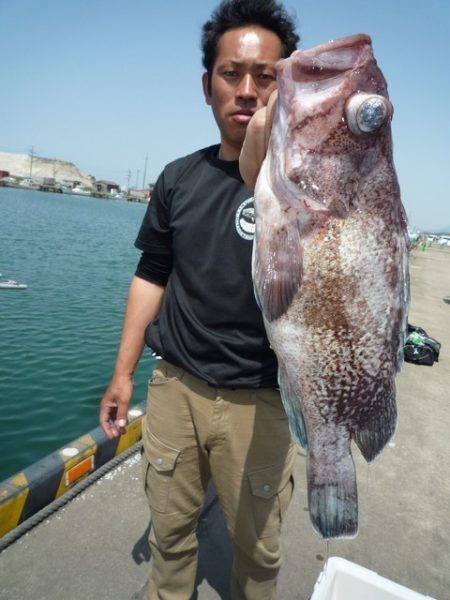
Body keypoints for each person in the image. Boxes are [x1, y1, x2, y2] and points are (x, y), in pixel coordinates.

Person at [100, 1, 300, 598]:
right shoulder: (177, 179)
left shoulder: (305, 185)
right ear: (205, 85)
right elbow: (151, 274)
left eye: (266, 76)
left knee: (258, 554)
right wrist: (122, 374)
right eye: (230, 73)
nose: (246, 90)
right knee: (170, 535)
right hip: (176, 391)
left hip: (264, 401)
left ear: (287, 84)